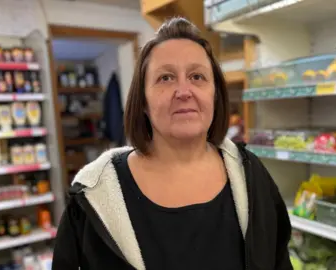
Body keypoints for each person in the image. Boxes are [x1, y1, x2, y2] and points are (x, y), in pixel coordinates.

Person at [52, 17, 293, 270]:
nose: (184, 91)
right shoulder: (92, 196)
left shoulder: (251, 176)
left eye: (197, 76)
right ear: (143, 101)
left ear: (215, 94)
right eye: (165, 78)